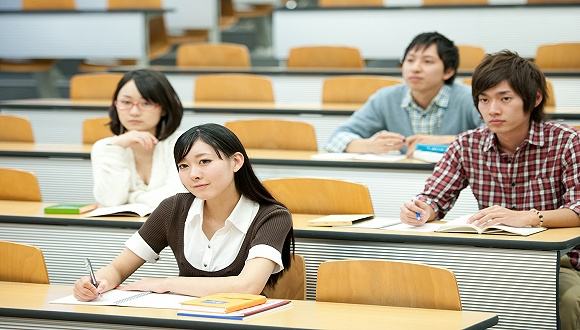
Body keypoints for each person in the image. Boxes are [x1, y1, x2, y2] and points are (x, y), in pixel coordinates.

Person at [399, 51, 580, 330]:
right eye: (484, 99)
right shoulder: (466, 144)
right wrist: (420, 209)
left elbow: (579, 208)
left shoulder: (567, 142)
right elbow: (434, 197)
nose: (492, 109)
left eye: (504, 99)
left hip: (559, 263)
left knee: (566, 301)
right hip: (491, 259)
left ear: (534, 99)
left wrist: (530, 217)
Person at [74, 123, 294, 300]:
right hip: (182, 318)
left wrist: (166, 284)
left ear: (236, 162)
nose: (194, 174)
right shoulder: (173, 208)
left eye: (204, 161)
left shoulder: (272, 216)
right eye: (184, 166)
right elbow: (117, 269)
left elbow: (247, 286)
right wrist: (95, 282)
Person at [325, 32, 482, 156]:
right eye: (410, 60)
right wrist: (369, 145)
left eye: (427, 61)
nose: (415, 68)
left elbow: (496, 138)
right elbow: (337, 137)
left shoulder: (469, 98)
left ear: (448, 71)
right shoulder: (385, 98)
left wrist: (446, 141)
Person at [91, 69, 184, 208]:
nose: (134, 112)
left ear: (164, 108)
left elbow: (176, 198)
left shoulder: (181, 143)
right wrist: (116, 146)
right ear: (115, 104)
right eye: (126, 102)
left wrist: (131, 197)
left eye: (146, 103)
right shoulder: (106, 147)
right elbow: (110, 201)